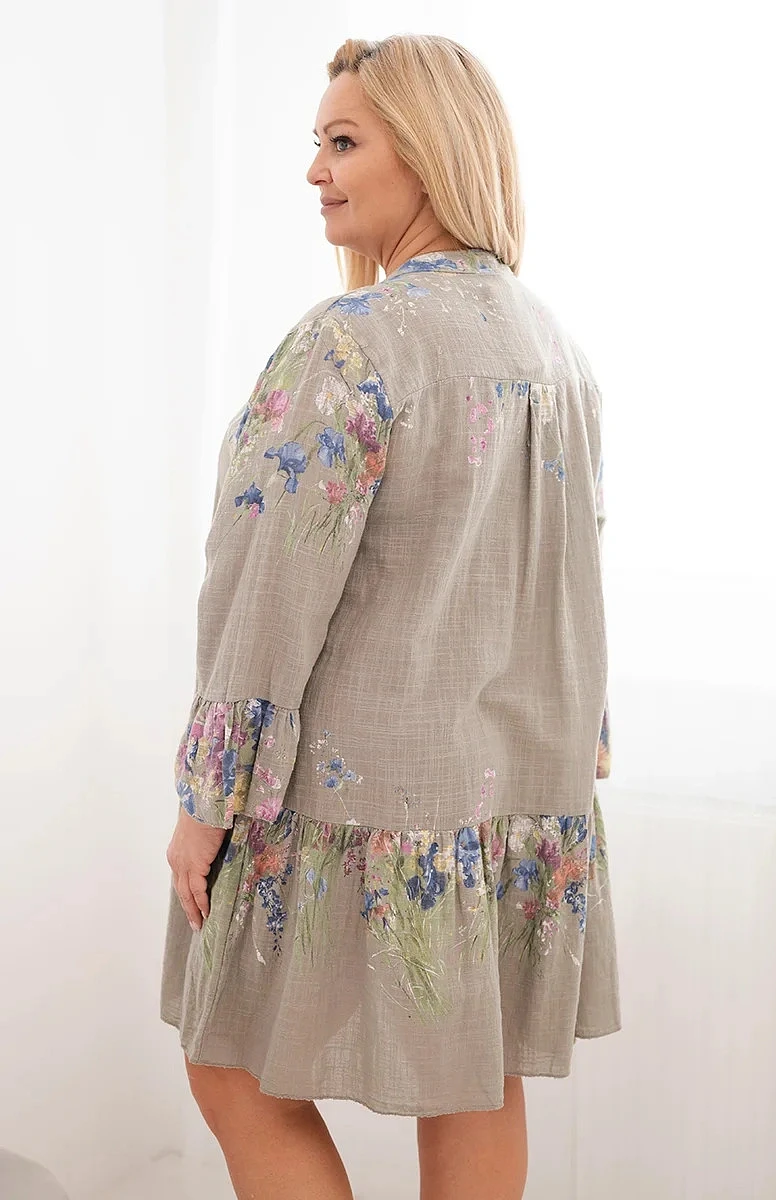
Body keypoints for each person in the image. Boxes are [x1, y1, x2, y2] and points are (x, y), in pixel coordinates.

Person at [160, 32, 621, 1200]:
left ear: (426, 150)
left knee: (229, 1070)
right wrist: (579, 748)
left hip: (345, 795)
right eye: (315, 141)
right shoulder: (555, 347)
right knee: (477, 1080)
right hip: (509, 796)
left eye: (342, 140)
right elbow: (571, 577)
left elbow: (266, 584)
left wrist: (209, 801)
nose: (314, 169)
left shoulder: (350, 343)